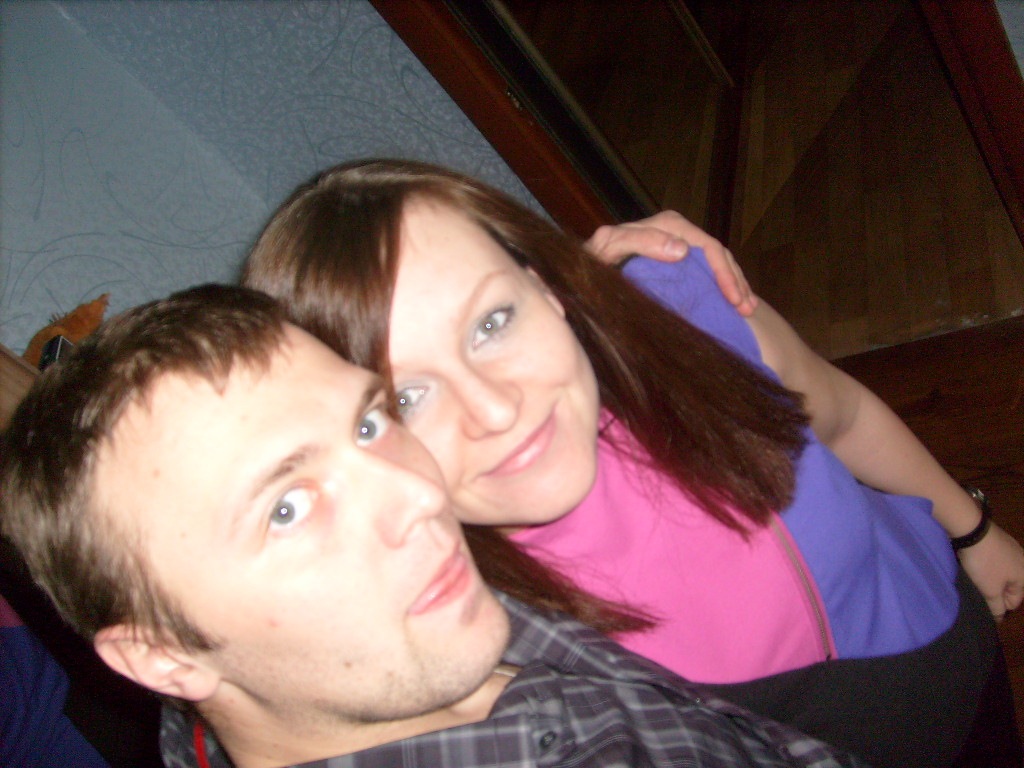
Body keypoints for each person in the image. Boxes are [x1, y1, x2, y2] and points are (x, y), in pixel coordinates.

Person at [237, 158, 1024, 768]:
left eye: (493, 322)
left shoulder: (686, 312)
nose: (495, 409)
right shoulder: (470, 633)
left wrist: (973, 530)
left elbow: (842, 413)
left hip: (968, 661)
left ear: (548, 290)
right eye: (407, 398)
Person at [0, 284, 869, 768]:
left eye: (369, 422)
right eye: (287, 508)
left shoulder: (384, 631)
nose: (419, 495)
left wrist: (614, 284)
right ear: (162, 656)